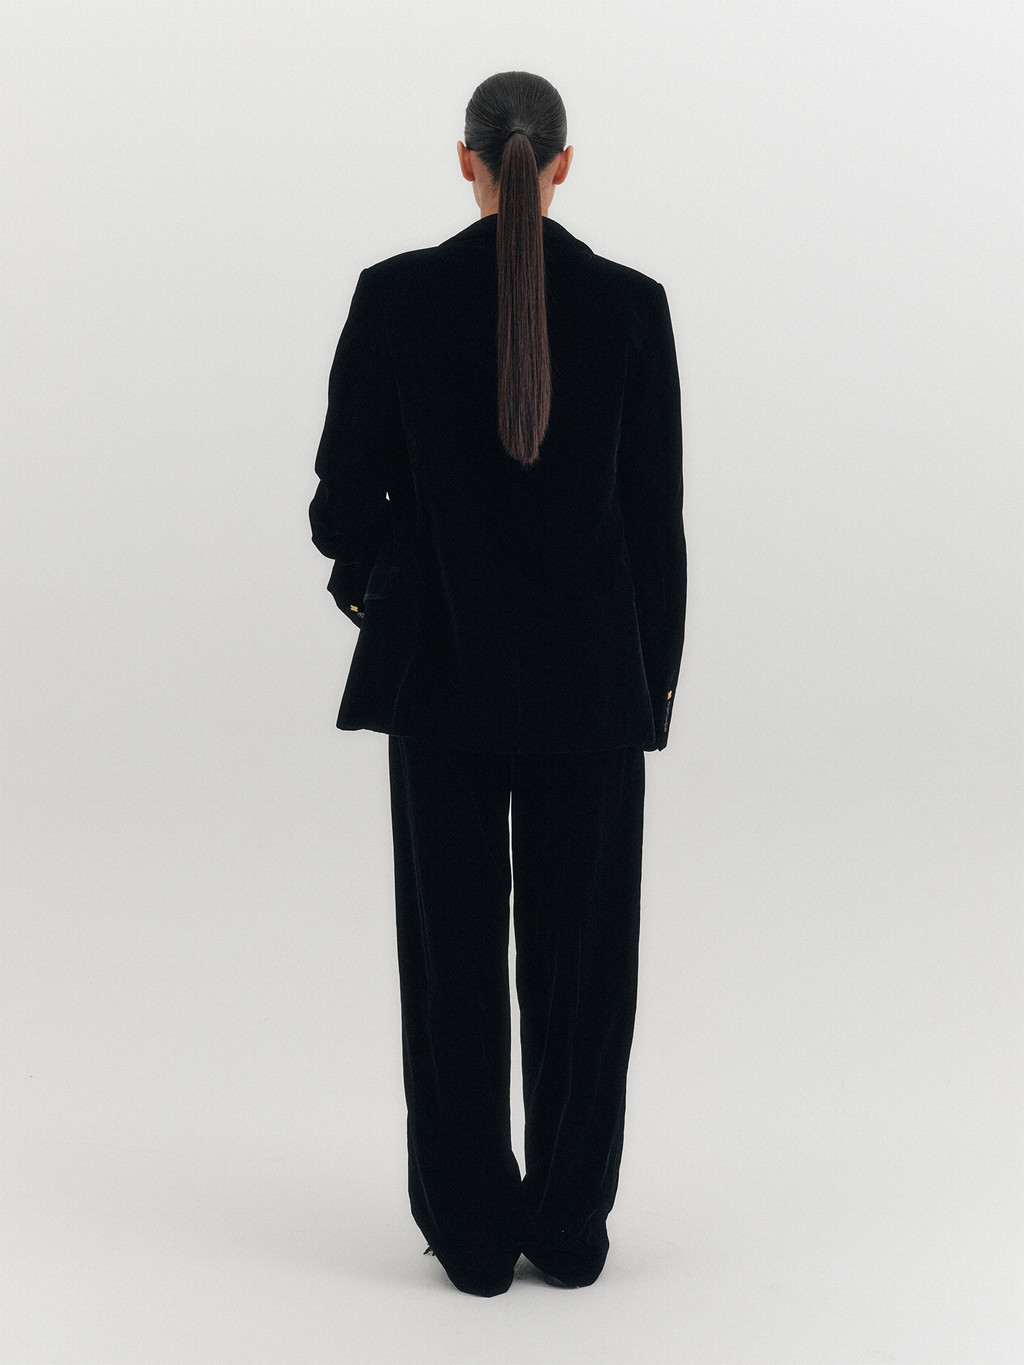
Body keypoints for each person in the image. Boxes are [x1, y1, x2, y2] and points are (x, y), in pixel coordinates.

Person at [309, 70, 687, 1297]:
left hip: (441, 680)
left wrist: (384, 592)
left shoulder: (395, 296)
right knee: (585, 970)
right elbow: (654, 526)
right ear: (563, 163)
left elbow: (338, 508)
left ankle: (471, 1238)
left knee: (451, 962)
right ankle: (567, 1230)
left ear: (463, 159)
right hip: (594, 689)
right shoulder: (630, 306)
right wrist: (651, 691)